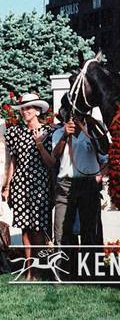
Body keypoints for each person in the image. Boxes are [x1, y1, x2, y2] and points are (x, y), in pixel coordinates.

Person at [2, 93, 55, 280]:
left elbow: (51, 163)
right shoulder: (17, 133)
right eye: (23, 108)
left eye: (29, 108)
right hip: (21, 185)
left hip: (39, 185)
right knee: (25, 227)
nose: (25, 111)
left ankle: (39, 269)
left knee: (38, 228)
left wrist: (39, 144)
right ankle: (29, 270)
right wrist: (8, 185)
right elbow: (13, 162)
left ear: (37, 110)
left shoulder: (48, 132)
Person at [52, 102, 107, 273]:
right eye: (70, 114)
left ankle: (89, 271)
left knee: (89, 229)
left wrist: (99, 176)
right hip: (65, 184)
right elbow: (55, 156)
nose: (73, 117)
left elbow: (106, 155)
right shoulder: (58, 133)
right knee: (61, 229)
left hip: (88, 183)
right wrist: (64, 136)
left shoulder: (92, 132)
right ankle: (64, 270)